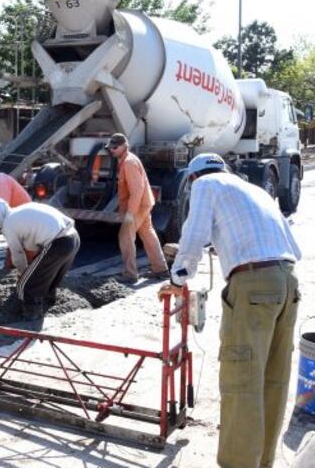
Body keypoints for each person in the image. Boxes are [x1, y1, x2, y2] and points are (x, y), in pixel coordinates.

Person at [160, 153, 301, 468]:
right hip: (288, 281)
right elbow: (293, 247)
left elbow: (194, 236)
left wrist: (178, 278)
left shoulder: (205, 184)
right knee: (274, 378)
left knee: (242, 379)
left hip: (252, 285)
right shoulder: (254, 190)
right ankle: (263, 462)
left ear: (193, 178)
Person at [0, 198, 80, 320]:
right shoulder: (22, 210)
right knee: (49, 278)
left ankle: (31, 316)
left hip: (58, 243)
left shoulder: (8, 223)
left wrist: (24, 274)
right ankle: (48, 303)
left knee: (25, 285)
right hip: (73, 238)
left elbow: (18, 254)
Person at [105, 133, 168, 282]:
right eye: (110, 147)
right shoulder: (127, 160)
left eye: (115, 147)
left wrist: (130, 213)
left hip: (138, 205)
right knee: (147, 234)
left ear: (124, 146)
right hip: (143, 203)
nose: (112, 150)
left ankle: (130, 274)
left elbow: (137, 190)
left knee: (125, 236)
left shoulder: (129, 163)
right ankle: (161, 269)